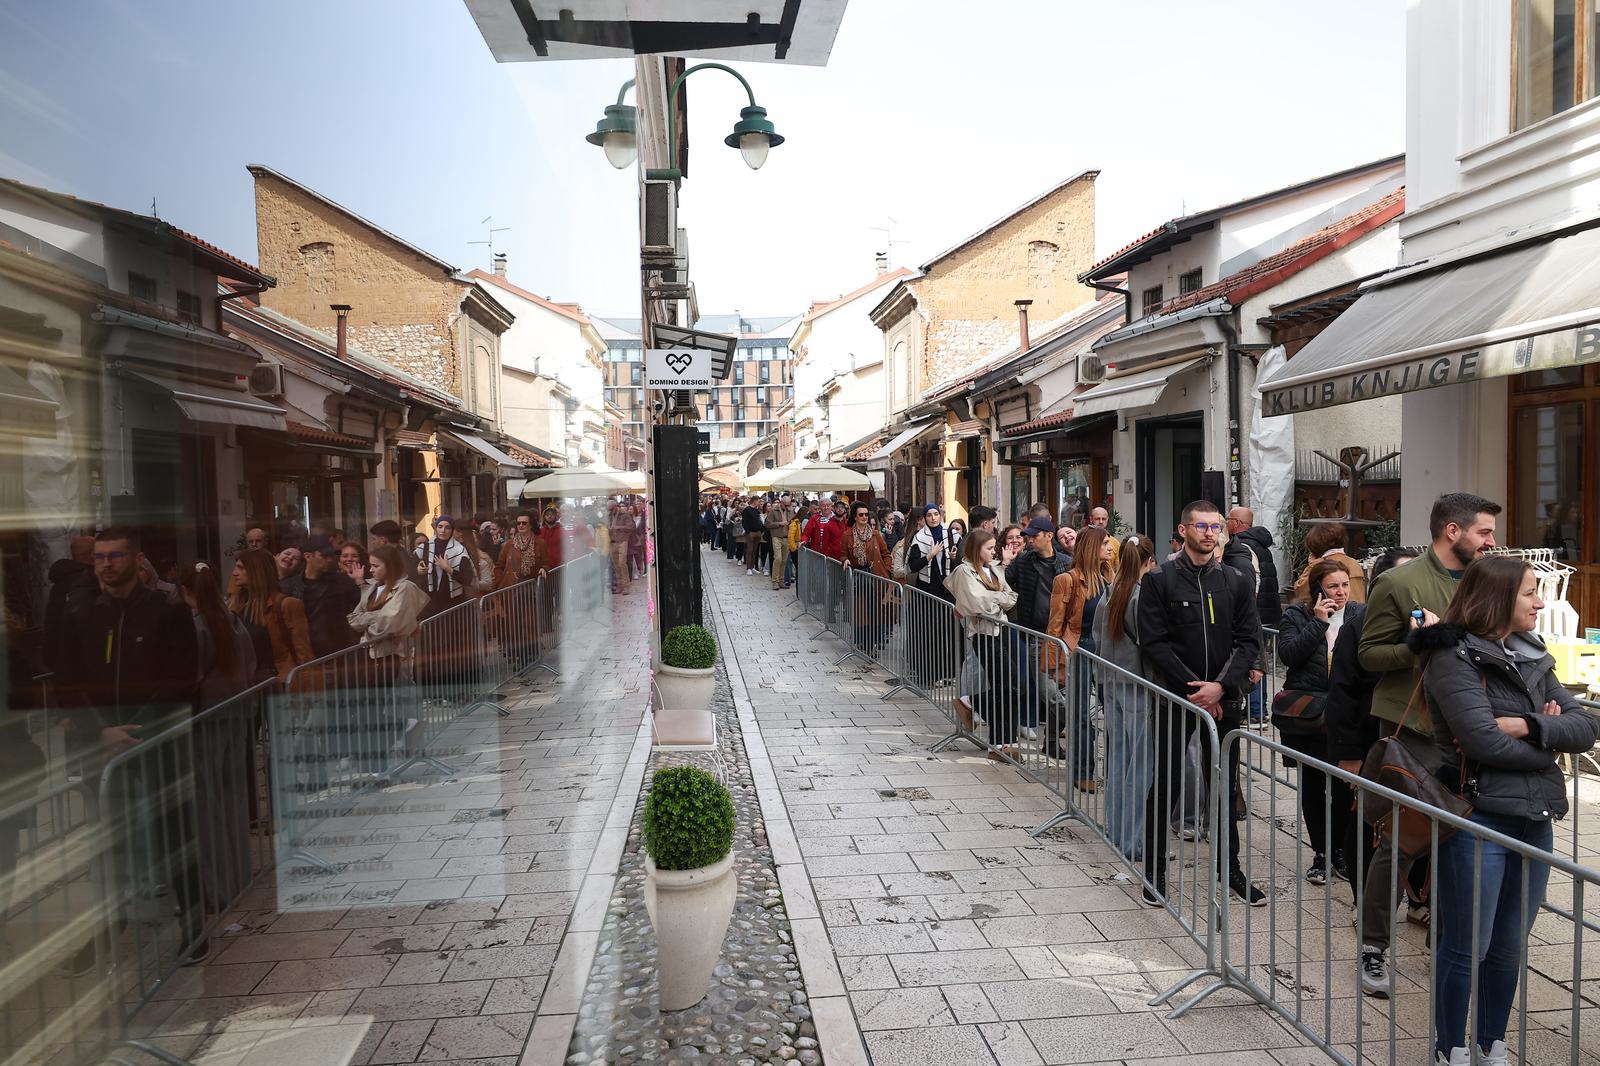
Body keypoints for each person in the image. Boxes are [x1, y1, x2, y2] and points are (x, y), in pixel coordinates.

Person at [1411, 556, 1600, 1066]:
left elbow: (1587, 726)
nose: (1542, 602)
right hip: (1478, 817)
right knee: (1468, 944)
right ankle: (1449, 1047)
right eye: (1531, 592)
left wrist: (1527, 725)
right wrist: (1546, 735)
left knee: (1511, 944)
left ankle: (1491, 1042)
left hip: (1534, 818)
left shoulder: (1532, 652)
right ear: (1497, 598)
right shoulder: (1452, 656)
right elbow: (1482, 741)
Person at [1354, 492, 1501, 992]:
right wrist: (1416, 646)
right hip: (1413, 728)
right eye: (1484, 532)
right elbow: (1368, 655)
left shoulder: (1487, 580)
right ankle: (1373, 946)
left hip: (1472, 727)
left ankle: (1449, 942)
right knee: (1402, 840)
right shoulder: (1400, 581)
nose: (1492, 541)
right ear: (1452, 531)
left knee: (1463, 838)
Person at [1138, 500, 1266, 908]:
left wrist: (1222, 688)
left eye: (1215, 527)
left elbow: (1249, 641)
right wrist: (1196, 689)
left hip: (1223, 700)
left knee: (1225, 785)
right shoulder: (1159, 581)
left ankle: (1231, 869)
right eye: (1201, 526)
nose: (1210, 533)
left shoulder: (1235, 580)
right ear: (1183, 529)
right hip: (1178, 698)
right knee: (1168, 783)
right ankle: (1155, 870)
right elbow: (1154, 643)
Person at [1324, 548, 1419, 996]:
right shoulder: (1360, 624)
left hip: (1413, 746)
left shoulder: (1431, 624)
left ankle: (1418, 900)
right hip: (1368, 743)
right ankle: (1368, 906)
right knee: (1370, 827)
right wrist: (1347, 754)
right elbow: (1342, 691)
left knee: (1413, 828)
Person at [1276, 558, 1366, 887]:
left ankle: (1341, 850)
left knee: (1345, 785)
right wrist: (1318, 622)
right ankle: (1321, 854)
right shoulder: (1297, 615)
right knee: (1313, 786)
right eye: (1332, 586)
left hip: (1345, 713)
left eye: (1344, 585)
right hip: (1310, 714)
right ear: (1318, 589)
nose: (1341, 592)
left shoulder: (1359, 614)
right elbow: (1289, 655)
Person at [1094, 532, 1157, 861]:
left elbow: (1096, 639)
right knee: (1140, 766)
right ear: (1148, 561)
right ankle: (1133, 840)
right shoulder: (1139, 598)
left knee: (1118, 760)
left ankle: (1115, 830)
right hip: (1137, 688)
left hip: (1112, 684)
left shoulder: (1109, 594)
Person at [1043, 525, 1113, 792]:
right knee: (1081, 716)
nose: (1109, 547)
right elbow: (1055, 625)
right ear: (1091, 548)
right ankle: (1083, 771)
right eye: (1105, 543)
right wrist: (1054, 664)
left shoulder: (1110, 577)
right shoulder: (1068, 580)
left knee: (1111, 714)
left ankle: (1111, 771)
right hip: (1080, 650)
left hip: (1108, 654)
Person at [945, 529, 1018, 756]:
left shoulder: (994, 568)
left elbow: (1011, 596)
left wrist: (994, 600)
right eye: (989, 548)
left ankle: (999, 739)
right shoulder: (964, 571)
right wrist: (998, 600)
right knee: (1006, 686)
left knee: (1007, 687)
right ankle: (997, 740)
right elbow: (977, 604)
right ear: (977, 549)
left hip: (1000, 630)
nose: (994, 551)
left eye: (994, 547)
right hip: (983, 634)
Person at [1005, 516, 1072, 757]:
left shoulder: (1067, 562)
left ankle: (1052, 743)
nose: (1030, 540)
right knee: (1052, 696)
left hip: (1062, 637)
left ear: (1049, 536)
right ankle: (1068, 730)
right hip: (1035, 636)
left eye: (1034, 535)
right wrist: (1004, 564)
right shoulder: (1023, 561)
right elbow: (1002, 584)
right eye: (1028, 536)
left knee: (1062, 693)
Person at [180, 562, 256, 710]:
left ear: (185, 590)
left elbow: (193, 674)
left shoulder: (196, 627)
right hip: (239, 706)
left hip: (208, 712)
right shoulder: (234, 620)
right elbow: (250, 662)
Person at [229, 549, 314, 682]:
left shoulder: (286, 605)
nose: (234, 573)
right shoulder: (235, 605)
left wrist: (307, 689)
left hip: (275, 682)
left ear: (256, 571)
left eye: (240, 568)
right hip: (244, 684)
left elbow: (304, 654)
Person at [841, 502, 893, 654]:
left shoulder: (875, 534)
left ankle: (873, 645)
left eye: (866, 514)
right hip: (858, 577)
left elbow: (886, 554)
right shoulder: (847, 535)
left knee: (875, 612)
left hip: (876, 576)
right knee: (860, 612)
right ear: (855, 517)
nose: (864, 517)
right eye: (861, 515)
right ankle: (862, 642)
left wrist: (886, 568)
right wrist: (845, 560)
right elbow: (843, 553)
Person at [43, 534, 97, 673]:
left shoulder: (59, 585)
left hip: (60, 660)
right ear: (92, 554)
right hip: (82, 662)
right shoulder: (90, 583)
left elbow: (52, 623)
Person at [299, 536, 360, 657]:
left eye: (331, 556)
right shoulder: (291, 586)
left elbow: (358, 611)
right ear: (308, 556)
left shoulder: (342, 582)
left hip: (338, 651)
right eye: (324, 556)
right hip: (306, 651)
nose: (329, 560)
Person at [1227, 506, 1283, 626]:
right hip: (1269, 611)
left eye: (1228, 519)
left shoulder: (1242, 546)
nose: (1226, 523)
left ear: (1237, 523)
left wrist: (1248, 610)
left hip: (1256, 615)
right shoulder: (1259, 544)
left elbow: (1254, 580)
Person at [1293, 522, 1368, 604]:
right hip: (1358, 612)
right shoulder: (1354, 563)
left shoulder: (1320, 565)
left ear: (1315, 544)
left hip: (1332, 613)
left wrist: (1312, 564)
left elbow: (1301, 593)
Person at [415, 516, 472, 617]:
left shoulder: (459, 550)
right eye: (440, 526)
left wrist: (448, 568)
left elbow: (468, 578)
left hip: (451, 601)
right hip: (428, 599)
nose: (443, 530)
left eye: (447, 527)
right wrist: (419, 570)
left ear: (452, 530)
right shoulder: (424, 548)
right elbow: (411, 569)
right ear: (436, 528)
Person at [766, 494, 794, 592]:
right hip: (776, 537)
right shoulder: (773, 511)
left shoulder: (790, 512)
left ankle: (781, 580)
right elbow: (768, 524)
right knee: (778, 558)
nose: (786, 507)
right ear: (781, 503)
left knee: (784, 560)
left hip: (786, 538)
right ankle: (775, 581)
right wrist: (779, 524)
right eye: (785, 505)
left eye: (788, 505)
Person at [609, 503, 633, 593]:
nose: (610, 511)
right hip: (613, 542)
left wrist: (619, 527)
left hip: (622, 541)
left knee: (622, 563)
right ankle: (620, 585)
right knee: (616, 565)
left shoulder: (624, 514)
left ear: (615, 507)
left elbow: (631, 527)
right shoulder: (609, 515)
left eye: (611, 509)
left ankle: (626, 586)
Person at [741, 496, 765, 575]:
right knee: (750, 550)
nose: (759, 503)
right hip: (750, 532)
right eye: (758, 501)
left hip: (757, 532)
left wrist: (760, 530)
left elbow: (759, 520)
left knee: (755, 551)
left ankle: (752, 567)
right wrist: (748, 531)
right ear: (754, 501)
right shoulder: (747, 510)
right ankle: (748, 568)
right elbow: (744, 522)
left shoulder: (756, 510)